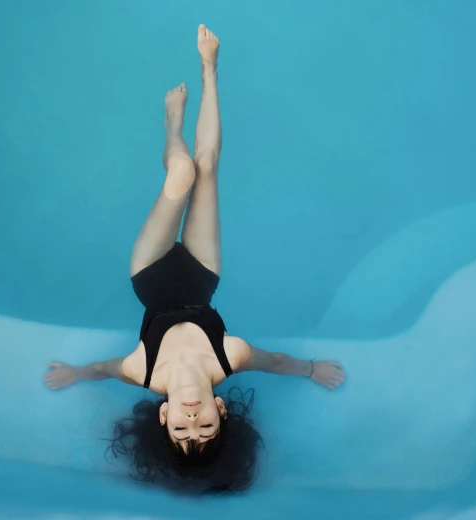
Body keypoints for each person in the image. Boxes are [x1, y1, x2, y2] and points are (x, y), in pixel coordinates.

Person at [44, 24, 346, 494]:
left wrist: (76, 374)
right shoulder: (231, 356)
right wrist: (312, 370)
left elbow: (104, 368)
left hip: (150, 272)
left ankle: (171, 128)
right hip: (202, 275)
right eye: (205, 428)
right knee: (207, 167)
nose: (192, 422)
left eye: (180, 430)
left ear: (163, 416)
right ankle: (209, 70)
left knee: (182, 171)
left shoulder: (144, 372)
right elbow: (279, 361)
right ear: (221, 411)